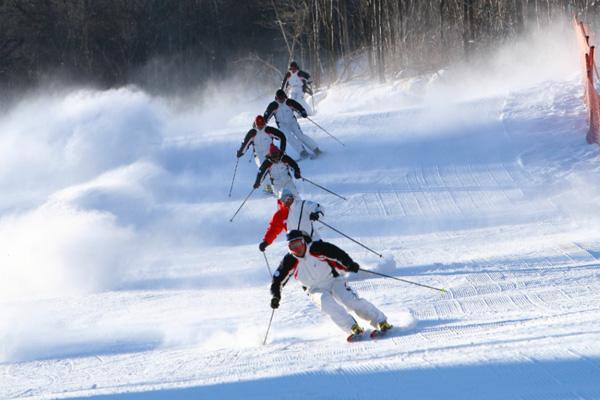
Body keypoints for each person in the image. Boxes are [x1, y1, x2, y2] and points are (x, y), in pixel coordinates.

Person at [269, 230, 393, 341]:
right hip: (314, 289)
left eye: (299, 243)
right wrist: (276, 296)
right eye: (292, 246)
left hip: (333, 280)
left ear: (303, 242)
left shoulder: (316, 248)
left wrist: (349, 264)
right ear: (289, 247)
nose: (297, 248)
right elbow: (277, 280)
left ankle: (380, 321)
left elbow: (337, 253)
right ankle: (352, 327)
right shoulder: (289, 261)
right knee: (326, 303)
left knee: (350, 300)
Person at [258, 188, 323, 252]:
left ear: (292, 197)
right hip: (297, 246)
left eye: (289, 198)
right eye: (284, 199)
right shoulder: (280, 214)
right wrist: (266, 242)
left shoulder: (302, 205)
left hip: (313, 240)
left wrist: (317, 214)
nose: (287, 201)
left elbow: (316, 207)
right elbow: (273, 229)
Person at [264, 89, 321, 160]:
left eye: (282, 98)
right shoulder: (273, 105)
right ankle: (302, 152)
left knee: (300, 135)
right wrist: (263, 122)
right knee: (289, 137)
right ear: (276, 98)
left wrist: (302, 112)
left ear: (284, 97)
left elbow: (299, 107)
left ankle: (316, 149)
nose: (281, 100)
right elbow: (266, 115)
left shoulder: (289, 102)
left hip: (292, 122)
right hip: (282, 125)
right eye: (279, 98)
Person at [237, 115, 287, 193]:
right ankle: (269, 190)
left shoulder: (269, 130)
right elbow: (245, 143)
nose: (260, 127)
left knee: (275, 170)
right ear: (255, 124)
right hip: (259, 155)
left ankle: (281, 188)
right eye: (258, 125)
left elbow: (282, 136)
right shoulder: (252, 133)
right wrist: (241, 152)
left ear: (264, 123)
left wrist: (282, 150)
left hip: (271, 154)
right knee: (263, 171)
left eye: (262, 125)